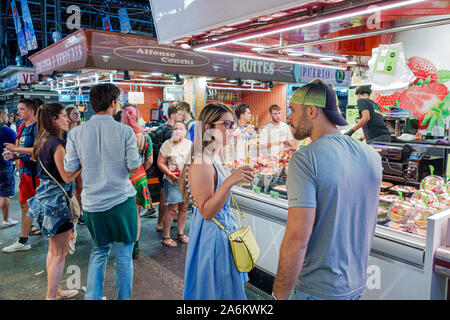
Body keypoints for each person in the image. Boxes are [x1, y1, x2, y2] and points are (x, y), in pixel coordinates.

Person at [271, 79, 382, 300]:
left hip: (316, 289)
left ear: (311, 111)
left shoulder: (305, 159)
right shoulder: (372, 155)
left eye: (293, 110)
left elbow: (297, 240)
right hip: (357, 285)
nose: (289, 118)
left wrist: (278, 297)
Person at [64, 83, 141, 300]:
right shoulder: (125, 131)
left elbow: (70, 169)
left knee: (99, 251)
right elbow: (134, 167)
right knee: (124, 256)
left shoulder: (76, 133)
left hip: (92, 204)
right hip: (121, 201)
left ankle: (93, 297)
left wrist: (90, 162)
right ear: (113, 103)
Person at [180, 103, 254, 300]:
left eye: (234, 124)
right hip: (212, 236)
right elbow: (206, 211)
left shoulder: (214, 157)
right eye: (227, 124)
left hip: (222, 233)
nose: (233, 129)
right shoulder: (201, 162)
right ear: (208, 128)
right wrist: (230, 181)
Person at [27, 103, 81, 300]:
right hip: (57, 202)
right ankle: (52, 296)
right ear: (53, 119)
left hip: (46, 199)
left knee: (54, 250)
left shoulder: (43, 140)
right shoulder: (57, 143)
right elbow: (67, 177)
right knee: (59, 253)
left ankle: (55, 290)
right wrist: (83, 164)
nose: (67, 119)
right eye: (64, 116)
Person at [3, 98, 43, 253]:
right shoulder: (24, 127)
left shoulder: (39, 128)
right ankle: (23, 240)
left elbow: (39, 151)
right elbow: (26, 152)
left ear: (31, 111)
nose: (17, 112)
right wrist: (14, 156)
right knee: (25, 206)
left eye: (21, 109)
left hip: (39, 176)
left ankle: (66, 236)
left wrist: (16, 150)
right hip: (27, 174)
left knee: (46, 208)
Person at [121, 106, 155, 259]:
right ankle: (135, 245)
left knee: (121, 213)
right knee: (136, 215)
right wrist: (141, 171)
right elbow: (150, 161)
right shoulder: (145, 137)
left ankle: (123, 244)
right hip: (139, 177)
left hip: (122, 177)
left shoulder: (119, 135)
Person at [150, 103, 185, 233]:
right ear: (172, 115)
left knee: (167, 196)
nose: (182, 117)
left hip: (161, 168)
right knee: (165, 195)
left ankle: (163, 221)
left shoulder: (161, 128)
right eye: (179, 115)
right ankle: (160, 223)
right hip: (168, 169)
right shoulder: (171, 132)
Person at [157, 121, 192, 247]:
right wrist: (169, 173)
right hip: (172, 180)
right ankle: (166, 236)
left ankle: (180, 233)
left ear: (185, 131)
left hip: (187, 181)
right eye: (176, 128)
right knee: (172, 208)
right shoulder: (167, 145)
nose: (178, 131)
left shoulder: (189, 144)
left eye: (181, 128)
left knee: (184, 208)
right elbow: (160, 162)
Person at [65, 105, 85, 225]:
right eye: (73, 113)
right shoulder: (64, 131)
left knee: (80, 188)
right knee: (69, 189)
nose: (77, 115)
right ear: (67, 115)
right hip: (66, 162)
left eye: (77, 113)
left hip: (80, 162)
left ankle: (80, 212)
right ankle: (72, 211)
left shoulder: (81, 129)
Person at [1, 116, 18, 228]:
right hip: (3, 166)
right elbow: (17, 148)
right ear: (3, 115)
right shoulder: (8, 131)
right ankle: (6, 220)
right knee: (4, 194)